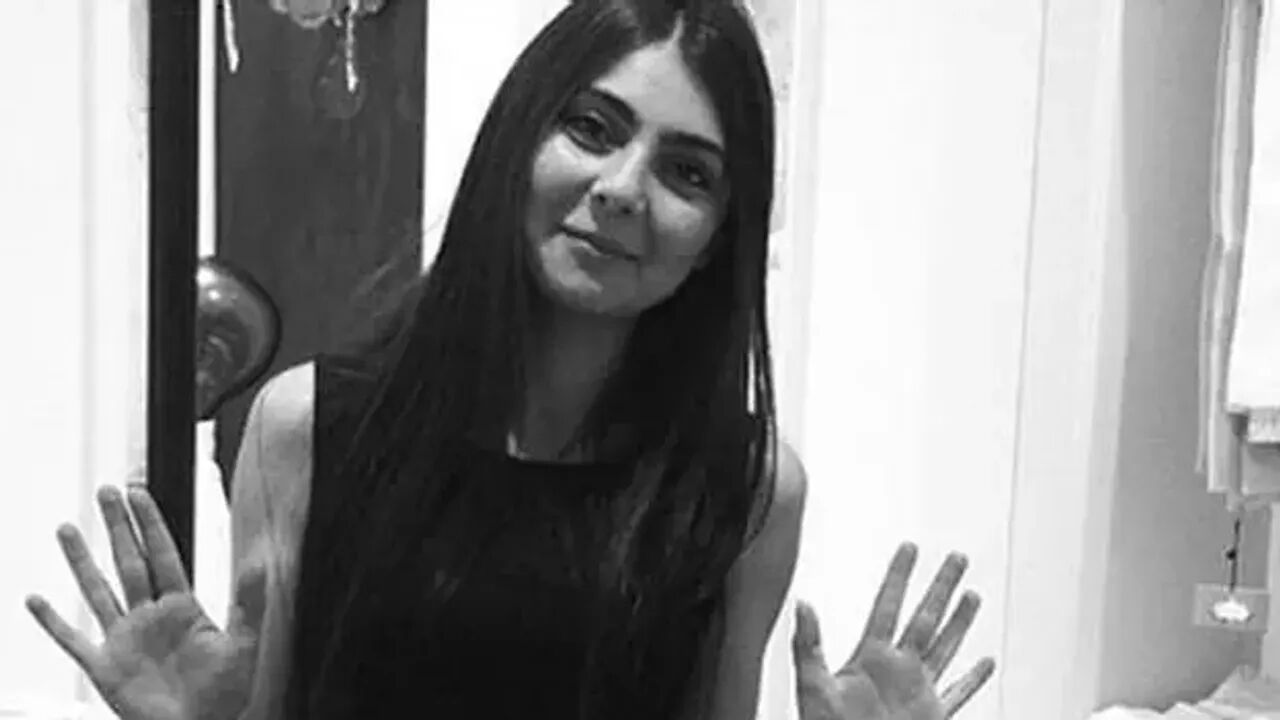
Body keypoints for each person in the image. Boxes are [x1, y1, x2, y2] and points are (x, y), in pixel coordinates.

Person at [27, 1, 995, 718]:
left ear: (717, 237)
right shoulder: (307, 429)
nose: (623, 188)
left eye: (686, 171)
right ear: (517, 139)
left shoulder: (744, 487)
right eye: (593, 128)